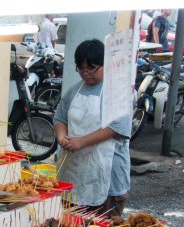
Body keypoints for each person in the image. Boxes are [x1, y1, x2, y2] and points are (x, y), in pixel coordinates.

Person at [53, 39, 131, 217]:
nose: (86, 73)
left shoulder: (117, 92)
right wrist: (62, 137)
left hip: (107, 174)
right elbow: (59, 118)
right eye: (81, 69)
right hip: (74, 171)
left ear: (105, 65)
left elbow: (117, 128)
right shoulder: (74, 91)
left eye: (91, 68)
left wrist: (82, 141)